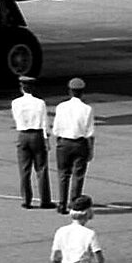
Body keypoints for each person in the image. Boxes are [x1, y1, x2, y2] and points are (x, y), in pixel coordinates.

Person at [51, 77, 95, 213]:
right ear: (82, 93)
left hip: (63, 143)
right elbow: (90, 133)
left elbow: (56, 129)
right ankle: (74, 203)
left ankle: (62, 204)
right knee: (78, 175)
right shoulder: (87, 109)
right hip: (80, 143)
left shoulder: (61, 107)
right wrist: (91, 150)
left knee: (63, 174)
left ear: (70, 91)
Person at [11, 75, 55, 209]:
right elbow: (44, 123)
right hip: (37, 135)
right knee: (41, 168)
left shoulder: (15, 102)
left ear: (21, 88)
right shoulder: (40, 103)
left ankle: (26, 199)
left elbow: (15, 118)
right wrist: (46, 139)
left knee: (24, 169)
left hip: (23, 135)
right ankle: (45, 200)